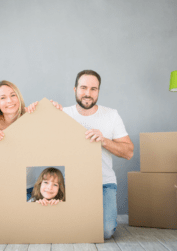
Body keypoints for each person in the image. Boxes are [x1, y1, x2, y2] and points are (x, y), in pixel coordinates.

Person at [27, 70, 134, 239]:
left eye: (93, 89)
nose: (88, 93)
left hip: (103, 183)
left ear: (98, 91)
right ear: (75, 89)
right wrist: (34, 111)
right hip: (71, 185)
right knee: (56, 224)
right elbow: (36, 138)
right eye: (83, 88)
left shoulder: (111, 115)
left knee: (105, 231)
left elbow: (129, 152)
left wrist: (104, 140)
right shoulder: (63, 113)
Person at [0, 80, 26, 169]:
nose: (9, 100)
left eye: (13, 95)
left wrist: (57, 108)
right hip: (7, 176)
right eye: (3, 98)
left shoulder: (28, 116)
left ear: (18, 98)